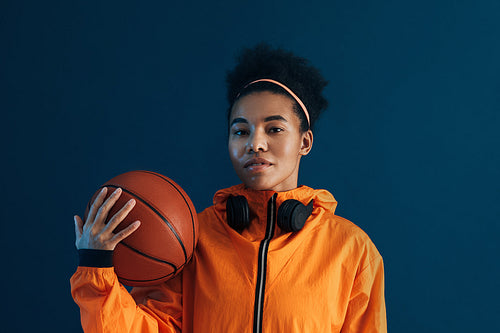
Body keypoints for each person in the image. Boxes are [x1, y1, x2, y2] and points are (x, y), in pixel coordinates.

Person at [71, 42, 387, 332]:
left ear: (304, 142)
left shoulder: (352, 250)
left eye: (274, 128)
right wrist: (96, 267)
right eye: (240, 131)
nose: (255, 143)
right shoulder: (192, 239)